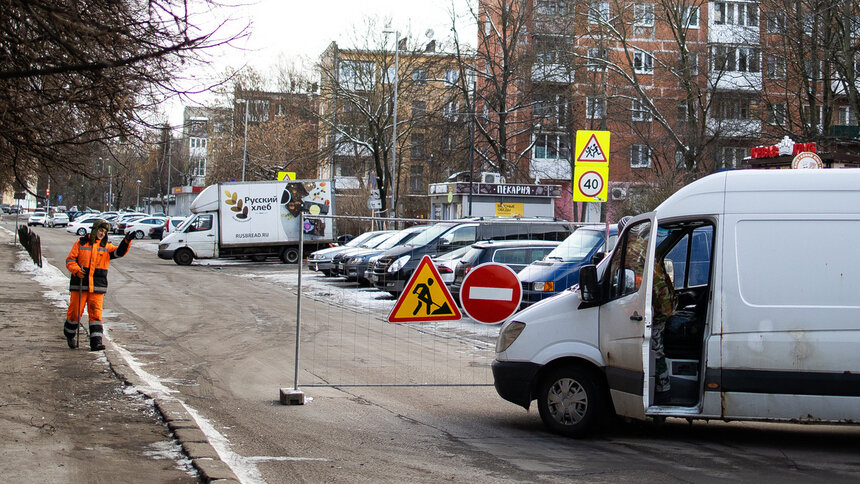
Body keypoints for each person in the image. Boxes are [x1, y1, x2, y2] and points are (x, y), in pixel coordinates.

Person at [63, 219, 133, 351]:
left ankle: (96, 343)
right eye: (101, 230)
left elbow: (119, 252)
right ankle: (69, 334)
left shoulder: (106, 246)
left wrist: (126, 241)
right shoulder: (80, 243)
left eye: (105, 232)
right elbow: (70, 260)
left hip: (97, 286)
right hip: (80, 285)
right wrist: (77, 270)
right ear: (95, 230)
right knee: (74, 313)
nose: (102, 234)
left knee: (96, 315)